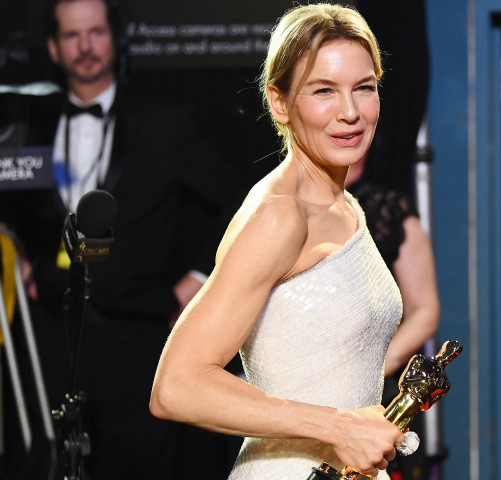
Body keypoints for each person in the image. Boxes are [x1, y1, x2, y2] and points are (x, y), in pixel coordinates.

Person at [149, 4, 407, 480]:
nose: (350, 112)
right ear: (279, 103)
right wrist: (338, 427)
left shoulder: (344, 204)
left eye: (364, 88)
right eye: (323, 91)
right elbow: (175, 386)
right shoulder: (280, 215)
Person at [0, 0, 242, 478]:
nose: (85, 46)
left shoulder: (161, 122)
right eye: (71, 35)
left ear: (116, 38)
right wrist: (18, 255)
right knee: (45, 463)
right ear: (53, 46)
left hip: (139, 331)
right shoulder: (30, 124)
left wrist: (197, 278)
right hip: (54, 329)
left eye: (95, 32)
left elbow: (236, 198)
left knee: (140, 466)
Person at [345, 156, 440, 479]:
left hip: (377, 394)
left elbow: (424, 310)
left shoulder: (388, 208)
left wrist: (372, 370)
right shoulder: (274, 209)